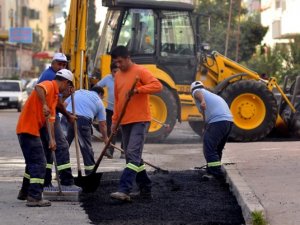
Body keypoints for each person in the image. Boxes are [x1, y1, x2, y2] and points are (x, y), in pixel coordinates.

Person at [110, 46, 162, 201]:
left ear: (127, 57)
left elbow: (157, 86)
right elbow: (118, 100)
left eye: (120, 61)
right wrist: (114, 121)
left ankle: (124, 189)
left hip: (140, 120)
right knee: (132, 157)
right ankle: (146, 189)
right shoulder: (118, 75)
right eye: (116, 62)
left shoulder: (141, 71)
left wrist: (139, 90)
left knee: (132, 153)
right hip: (125, 121)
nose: (118, 65)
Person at [16, 69, 74, 207]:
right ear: (65, 82)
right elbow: (38, 87)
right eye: (68, 86)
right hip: (28, 129)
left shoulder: (54, 97)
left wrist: (52, 140)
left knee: (33, 163)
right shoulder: (50, 85)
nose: (68, 89)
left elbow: (51, 121)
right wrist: (44, 104)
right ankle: (34, 197)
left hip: (30, 130)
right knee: (40, 162)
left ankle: (25, 192)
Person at [37, 53, 77, 189]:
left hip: (48, 117)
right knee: (61, 145)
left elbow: (57, 101)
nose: (61, 66)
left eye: (64, 64)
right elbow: (57, 104)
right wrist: (68, 115)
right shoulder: (51, 77)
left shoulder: (56, 76)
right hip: (47, 118)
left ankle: (46, 181)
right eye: (59, 63)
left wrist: (65, 95)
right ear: (52, 63)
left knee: (49, 150)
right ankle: (66, 180)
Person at [190, 81, 233, 180]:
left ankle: (215, 173)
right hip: (228, 122)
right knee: (217, 148)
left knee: (209, 147)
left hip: (218, 121)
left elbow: (197, 92)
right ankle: (214, 169)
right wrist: (205, 126)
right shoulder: (212, 96)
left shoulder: (197, 92)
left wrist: (202, 101)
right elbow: (205, 113)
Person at [64, 86, 109, 175]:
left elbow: (64, 105)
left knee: (63, 146)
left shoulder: (78, 92)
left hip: (67, 116)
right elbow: (102, 124)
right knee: (86, 149)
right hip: (83, 121)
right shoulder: (99, 102)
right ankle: (90, 173)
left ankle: (62, 173)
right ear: (100, 94)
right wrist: (105, 139)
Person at [95, 62, 124, 159]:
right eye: (114, 72)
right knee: (111, 131)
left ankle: (124, 152)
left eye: (117, 71)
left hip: (122, 110)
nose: (116, 74)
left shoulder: (124, 78)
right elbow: (96, 87)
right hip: (110, 110)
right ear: (111, 71)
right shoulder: (107, 78)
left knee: (124, 130)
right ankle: (110, 150)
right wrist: (99, 95)